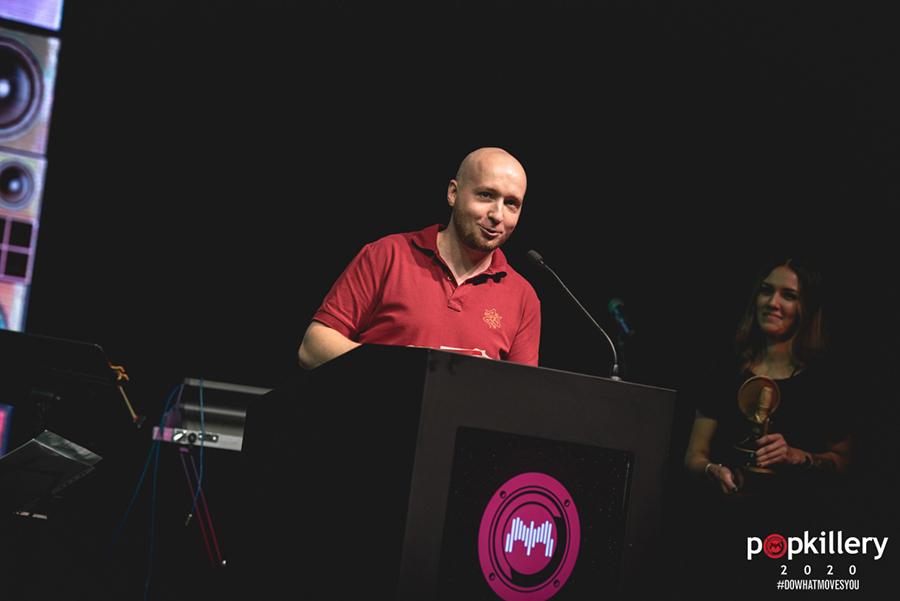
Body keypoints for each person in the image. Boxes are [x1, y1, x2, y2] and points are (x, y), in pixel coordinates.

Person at [297, 147, 540, 370]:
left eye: (511, 203)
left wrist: (486, 379)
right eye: (486, 195)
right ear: (453, 193)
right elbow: (312, 348)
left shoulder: (523, 298)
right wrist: (397, 368)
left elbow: (523, 393)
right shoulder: (387, 255)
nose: (498, 215)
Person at [684, 256, 851, 512]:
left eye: (789, 296)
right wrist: (713, 471)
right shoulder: (725, 372)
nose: (772, 303)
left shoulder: (825, 380)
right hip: (724, 519)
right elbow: (694, 457)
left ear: (806, 306)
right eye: (766, 290)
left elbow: (844, 462)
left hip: (796, 521)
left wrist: (797, 456)